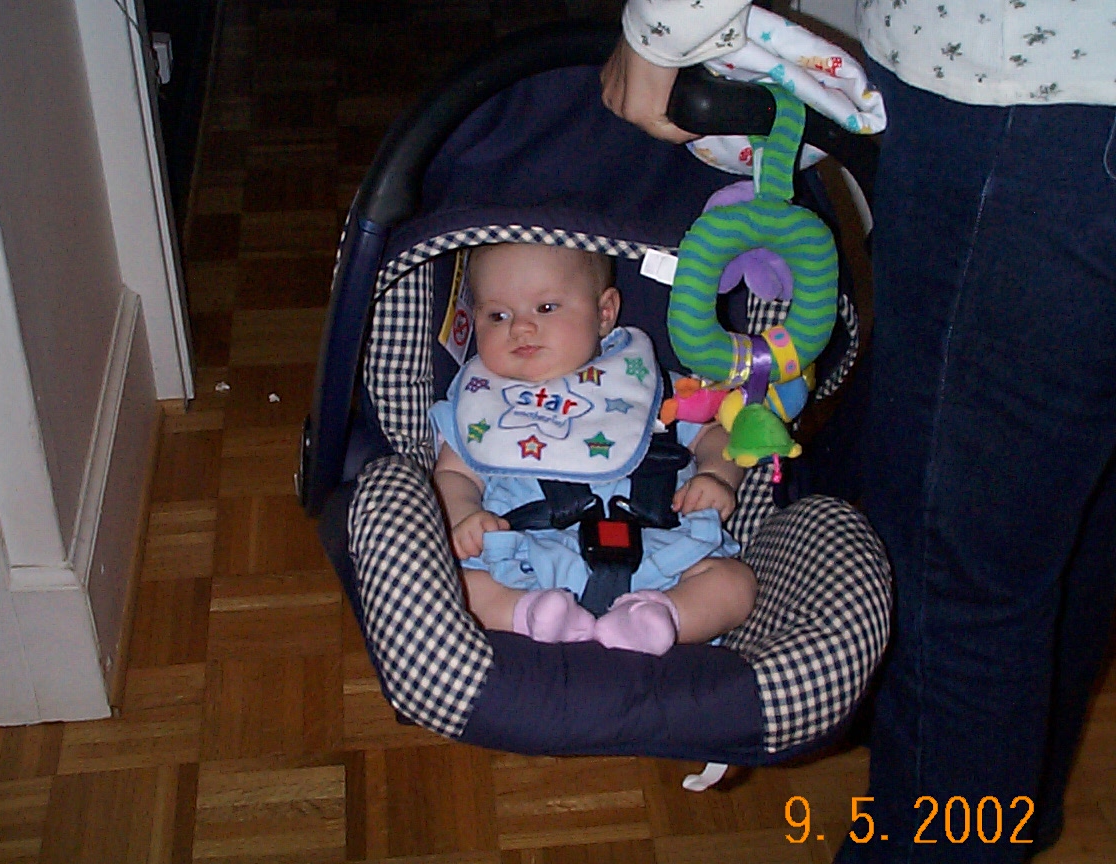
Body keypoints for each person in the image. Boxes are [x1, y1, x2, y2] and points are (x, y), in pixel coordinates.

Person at [602, 1, 1116, 861]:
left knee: (953, 578)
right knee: (1067, 508)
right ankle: (1011, 806)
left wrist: (661, 24)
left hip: (1034, 100)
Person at [430, 242, 757, 656]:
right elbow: (453, 474)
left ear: (604, 313)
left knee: (734, 584)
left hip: (661, 554)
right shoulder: (481, 403)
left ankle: (655, 619)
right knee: (461, 589)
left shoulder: (646, 386)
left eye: (546, 308)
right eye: (498, 315)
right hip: (525, 559)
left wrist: (715, 476)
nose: (521, 328)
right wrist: (465, 516)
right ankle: (534, 616)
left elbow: (717, 433)